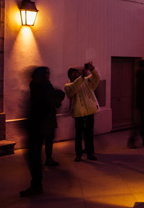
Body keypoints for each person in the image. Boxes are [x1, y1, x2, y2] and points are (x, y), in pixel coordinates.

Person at [21, 67, 65, 197]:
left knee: (34, 156)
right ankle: (36, 184)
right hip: (41, 125)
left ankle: (36, 185)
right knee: (34, 156)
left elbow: (53, 101)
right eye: (46, 74)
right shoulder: (42, 87)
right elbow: (56, 100)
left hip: (38, 126)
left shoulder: (40, 87)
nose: (48, 76)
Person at [65, 62, 100, 162]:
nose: (75, 74)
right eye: (73, 73)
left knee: (89, 134)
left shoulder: (86, 82)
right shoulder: (68, 86)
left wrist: (92, 69)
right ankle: (78, 154)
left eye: (76, 73)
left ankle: (90, 153)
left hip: (89, 112)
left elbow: (97, 78)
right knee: (78, 135)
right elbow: (72, 90)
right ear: (69, 76)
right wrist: (81, 78)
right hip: (78, 114)